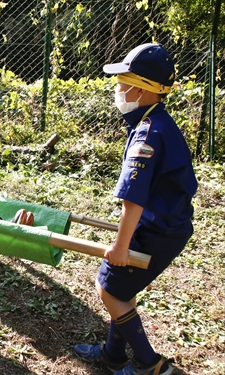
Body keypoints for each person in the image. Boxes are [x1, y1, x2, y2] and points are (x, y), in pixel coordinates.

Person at [73, 43, 197, 375]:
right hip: (166, 224)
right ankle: (113, 355)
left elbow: (134, 199)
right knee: (123, 289)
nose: (118, 89)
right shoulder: (156, 122)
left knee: (109, 289)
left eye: (122, 81)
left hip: (159, 229)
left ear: (142, 89)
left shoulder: (147, 134)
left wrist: (121, 246)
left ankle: (149, 364)